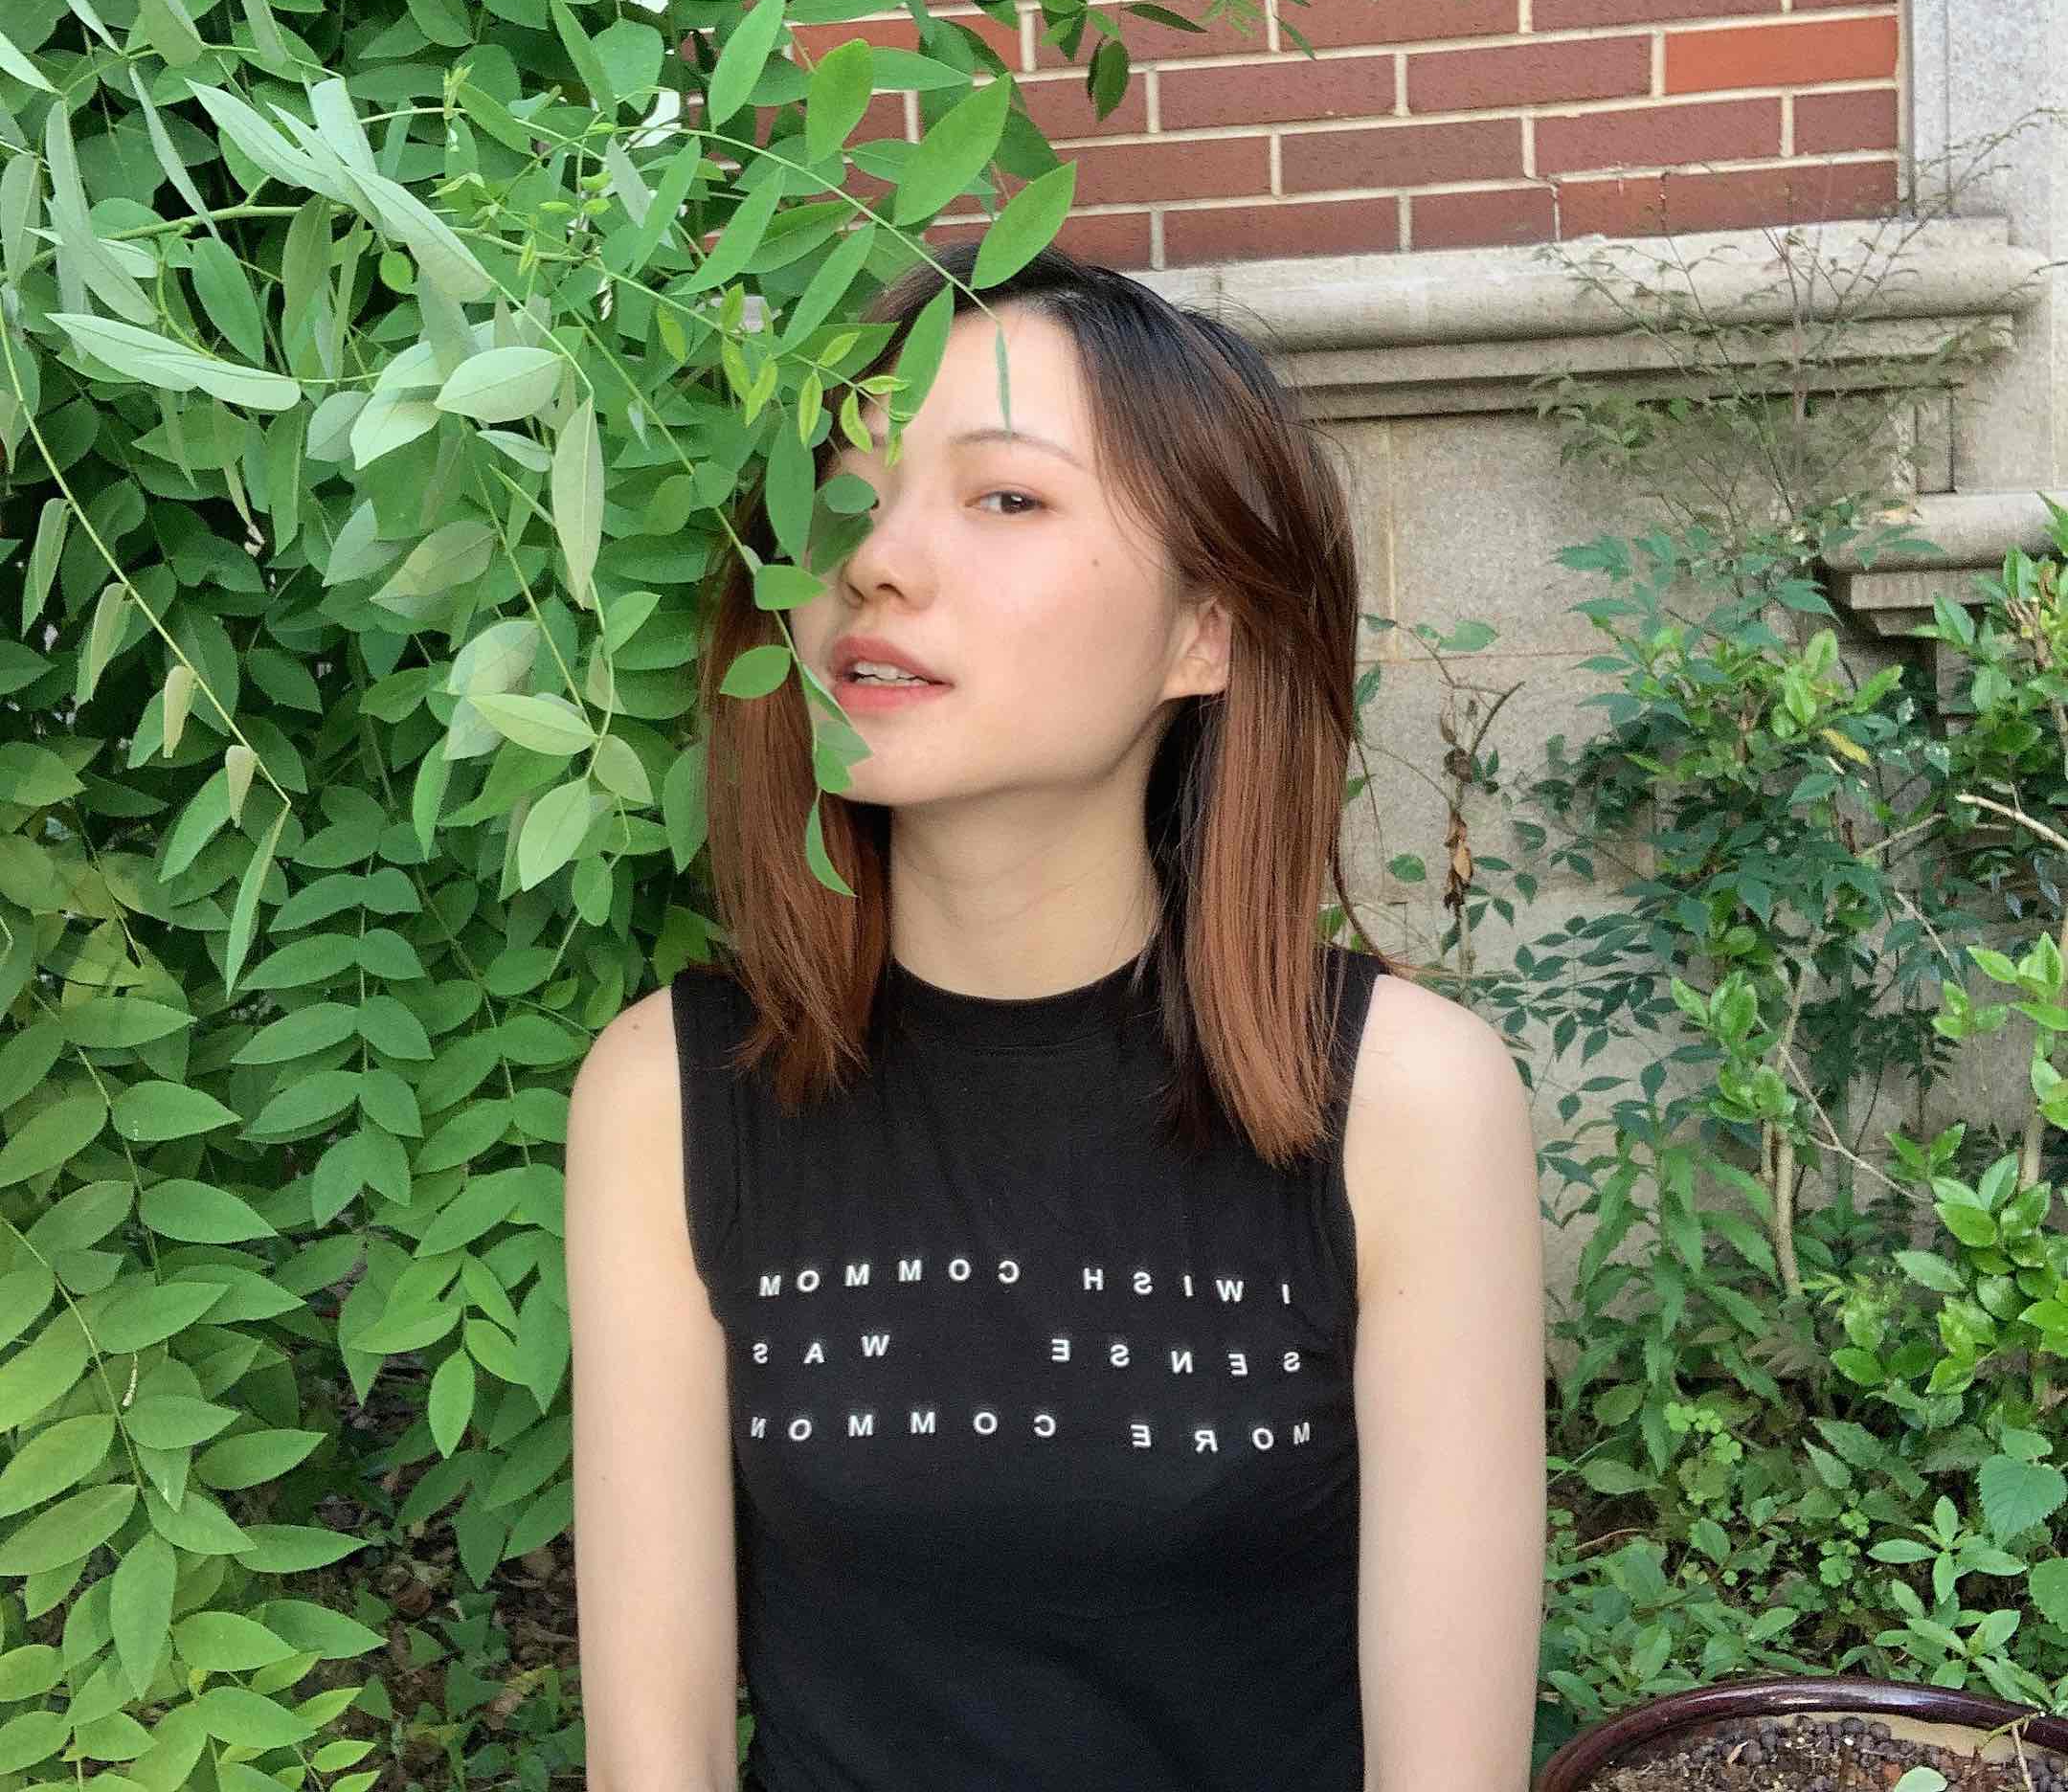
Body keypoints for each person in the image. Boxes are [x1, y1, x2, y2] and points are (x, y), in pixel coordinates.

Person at [564, 239, 1547, 1792]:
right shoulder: (668, 1093)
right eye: (848, 489)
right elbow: (657, 1754)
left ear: (1207, 630)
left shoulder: (1407, 1103)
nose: (878, 561)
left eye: (1007, 497)